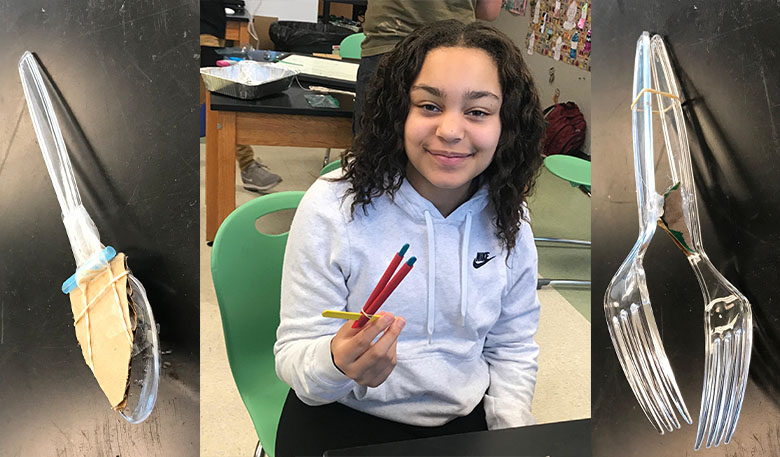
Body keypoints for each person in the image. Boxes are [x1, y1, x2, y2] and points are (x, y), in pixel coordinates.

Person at [274, 19, 545, 457]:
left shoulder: (510, 215)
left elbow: (512, 347)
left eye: (477, 111)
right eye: (430, 106)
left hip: (462, 422)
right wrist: (337, 362)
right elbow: (295, 357)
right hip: (341, 411)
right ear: (399, 111)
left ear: (506, 124)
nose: (452, 131)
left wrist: (513, 434)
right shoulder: (333, 206)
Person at [353, 0, 502, 134]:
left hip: (388, 42)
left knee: (373, 151)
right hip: (452, 49)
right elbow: (489, 11)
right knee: (449, 146)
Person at [199, 0, 282, 193]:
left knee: (217, 101)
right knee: (221, 99)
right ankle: (248, 167)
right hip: (202, 34)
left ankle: (248, 167)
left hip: (210, 31)